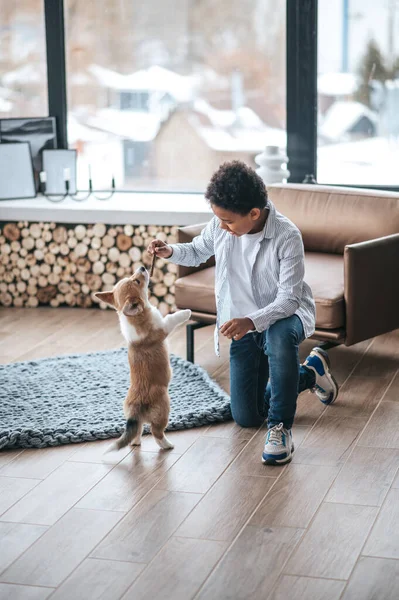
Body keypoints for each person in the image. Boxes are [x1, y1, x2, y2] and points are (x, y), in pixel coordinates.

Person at [147, 161, 339, 465]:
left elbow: (289, 300)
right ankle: (310, 372)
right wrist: (170, 251)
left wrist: (252, 320)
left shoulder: (287, 236)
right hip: (244, 325)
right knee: (247, 416)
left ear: (254, 213)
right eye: (217, 219)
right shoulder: (221, 226)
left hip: (282, 317)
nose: (221, 226)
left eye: (227, 220)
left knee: (278, 336)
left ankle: (281, 428)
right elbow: (198, 250)